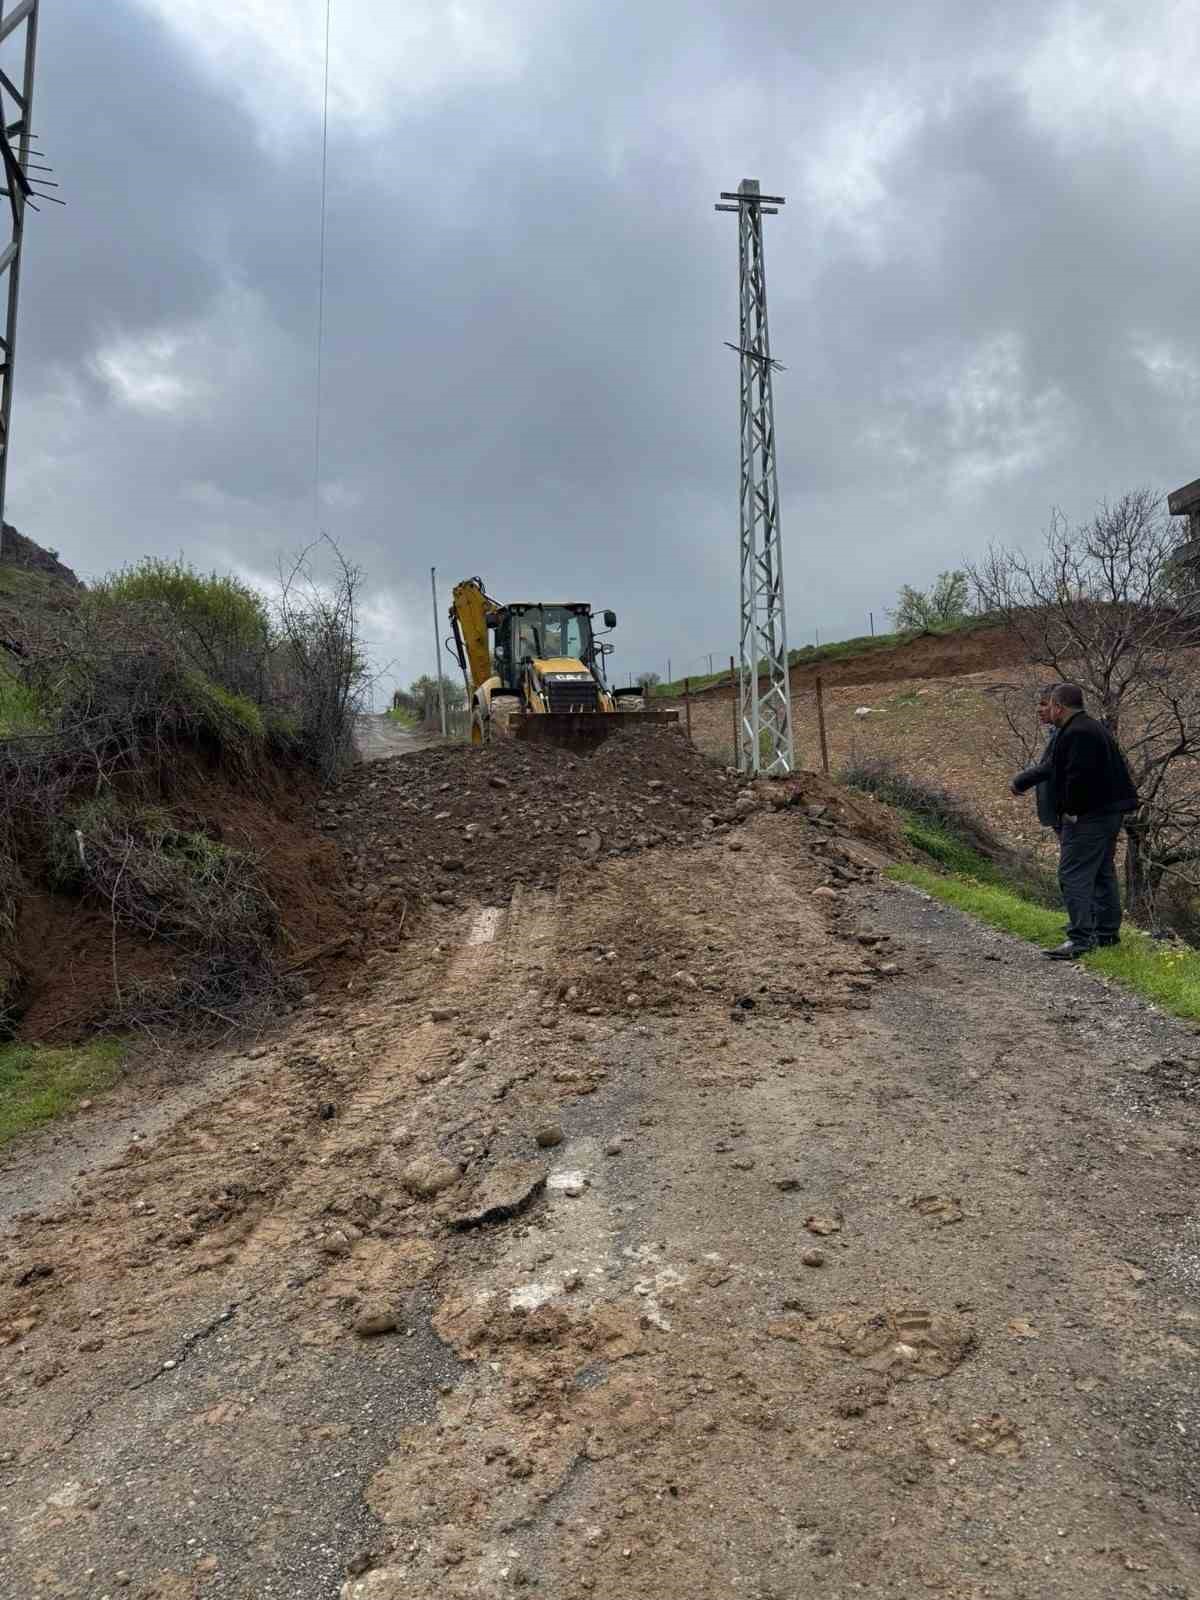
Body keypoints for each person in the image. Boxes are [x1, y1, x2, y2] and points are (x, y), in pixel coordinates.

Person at [1038, 683, 1138, 961]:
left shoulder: (1078, 732)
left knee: (1073, 875)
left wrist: (1070, 811)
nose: (1048, 710)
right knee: (1102, 872)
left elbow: (1078, 778)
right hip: (1108, 813)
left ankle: (1080, 938)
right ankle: (1106, 933)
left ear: (1059, 706)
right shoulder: (1091, 727)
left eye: (1050, 705)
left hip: (1090, 817)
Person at [1010, 687, 1061, 835]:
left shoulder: (1071, 733)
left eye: (1044, 704)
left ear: (1059, 707)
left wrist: (1021, 781)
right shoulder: (1056, 732)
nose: (1039, 710)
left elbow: (1052, 766)